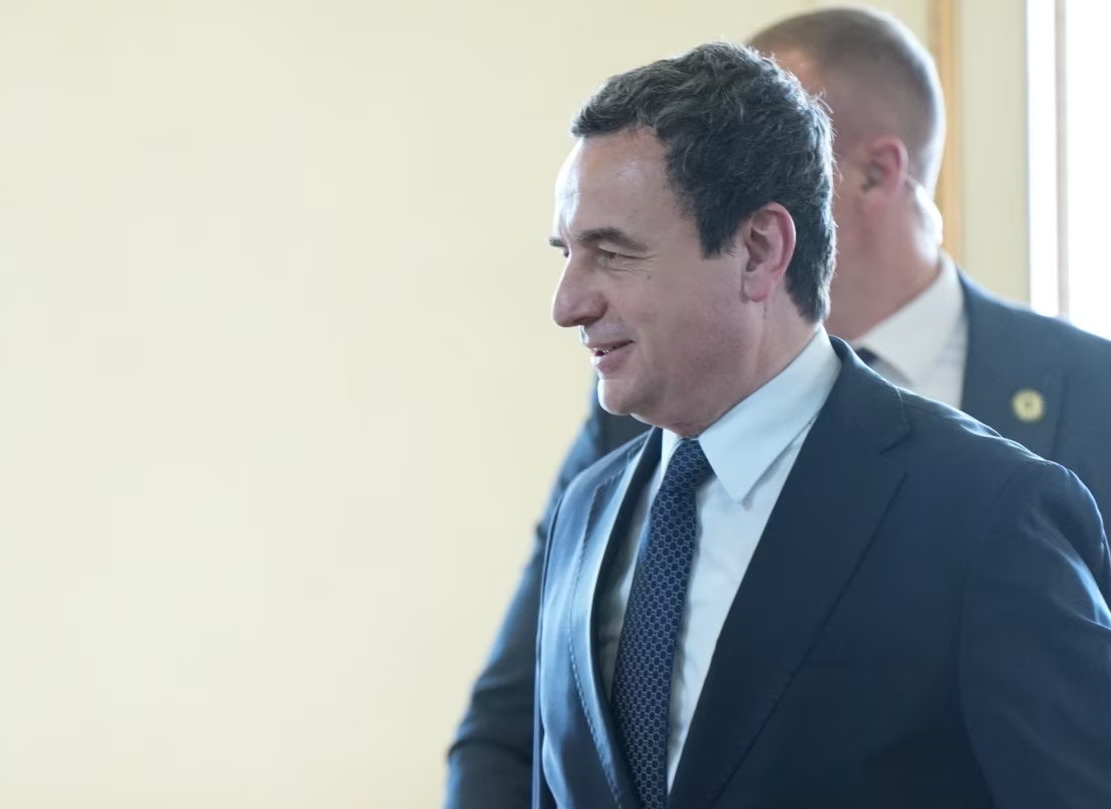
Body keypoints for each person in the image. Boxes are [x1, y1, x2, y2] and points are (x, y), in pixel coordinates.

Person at [443, 9, 1111, 808]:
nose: (567, 304)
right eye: (567, 253)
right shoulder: (590, 506)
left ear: (759, 250)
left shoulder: (988, 512)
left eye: (613, 252)